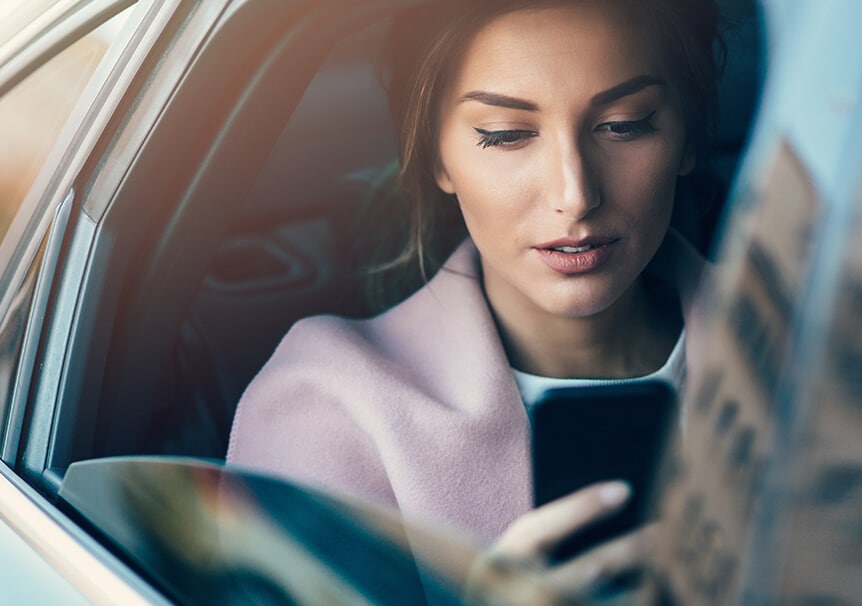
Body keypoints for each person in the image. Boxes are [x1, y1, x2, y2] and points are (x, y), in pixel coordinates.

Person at [227, 0, 723, 599]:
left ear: (689, 134)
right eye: (508, 135)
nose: (575, 194)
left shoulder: (817, 353)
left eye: (623, 124)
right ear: (438, 155)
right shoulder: (328, 411)